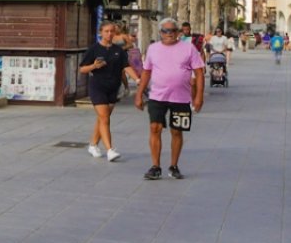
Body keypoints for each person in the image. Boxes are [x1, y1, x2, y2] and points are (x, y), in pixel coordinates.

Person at [136, 18, 205, 180]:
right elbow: (146, 72)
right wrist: (139, 94)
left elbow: (199, 73)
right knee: (155, 128)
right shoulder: (153, 48)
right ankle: (155, 166)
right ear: (160, 33)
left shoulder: (189, 48)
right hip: (157, 96)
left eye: (173, 30)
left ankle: (174, 166)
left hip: (181, 98)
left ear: (178, 32)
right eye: (166, 31)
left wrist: (199, 96)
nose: (169, 34)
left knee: (177, 131)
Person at [77, 20, 135, 162]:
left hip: (113, 87)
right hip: (98, 86)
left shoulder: (119, 50)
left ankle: (93, 145)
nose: (109, 34)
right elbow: (82, 69)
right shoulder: (94, 49)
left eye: (111, 31)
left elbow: (126, 66)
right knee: (104, 118)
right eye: (106, 31)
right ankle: (110, 150)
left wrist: (138, 79)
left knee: (103, 118)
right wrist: (94, 66)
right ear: (101, 33)